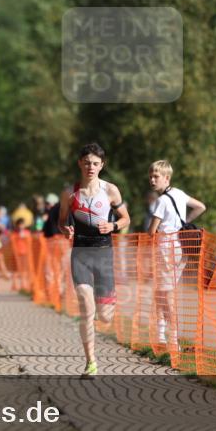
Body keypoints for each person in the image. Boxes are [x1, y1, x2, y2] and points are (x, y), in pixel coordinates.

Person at [58, 142, 131, 378]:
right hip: (80, 254)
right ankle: (91, 362)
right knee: (86, 308)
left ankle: (108, 303)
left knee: (105, 317)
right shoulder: (70, 193)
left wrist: (112, 225)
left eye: (96, 163)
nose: (91, 167)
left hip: (103, 255)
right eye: (87, 162)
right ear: (80, 163)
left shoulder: (110, 190)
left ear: (102, 166)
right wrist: (65, 229)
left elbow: (125, 219)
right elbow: (61, 222)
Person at [146, 160, 206, 347]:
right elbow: (201, 206)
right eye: (151, 176)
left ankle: (172, 338)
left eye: (156, 176)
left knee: (165, 293)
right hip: (182, 247)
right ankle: (162, 335)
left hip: (166, 248)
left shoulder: (162, 201)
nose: (152, 180)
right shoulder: (179, 193)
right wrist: (185, 223)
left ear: (167, 178)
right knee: (163, 291)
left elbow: (152, 231)